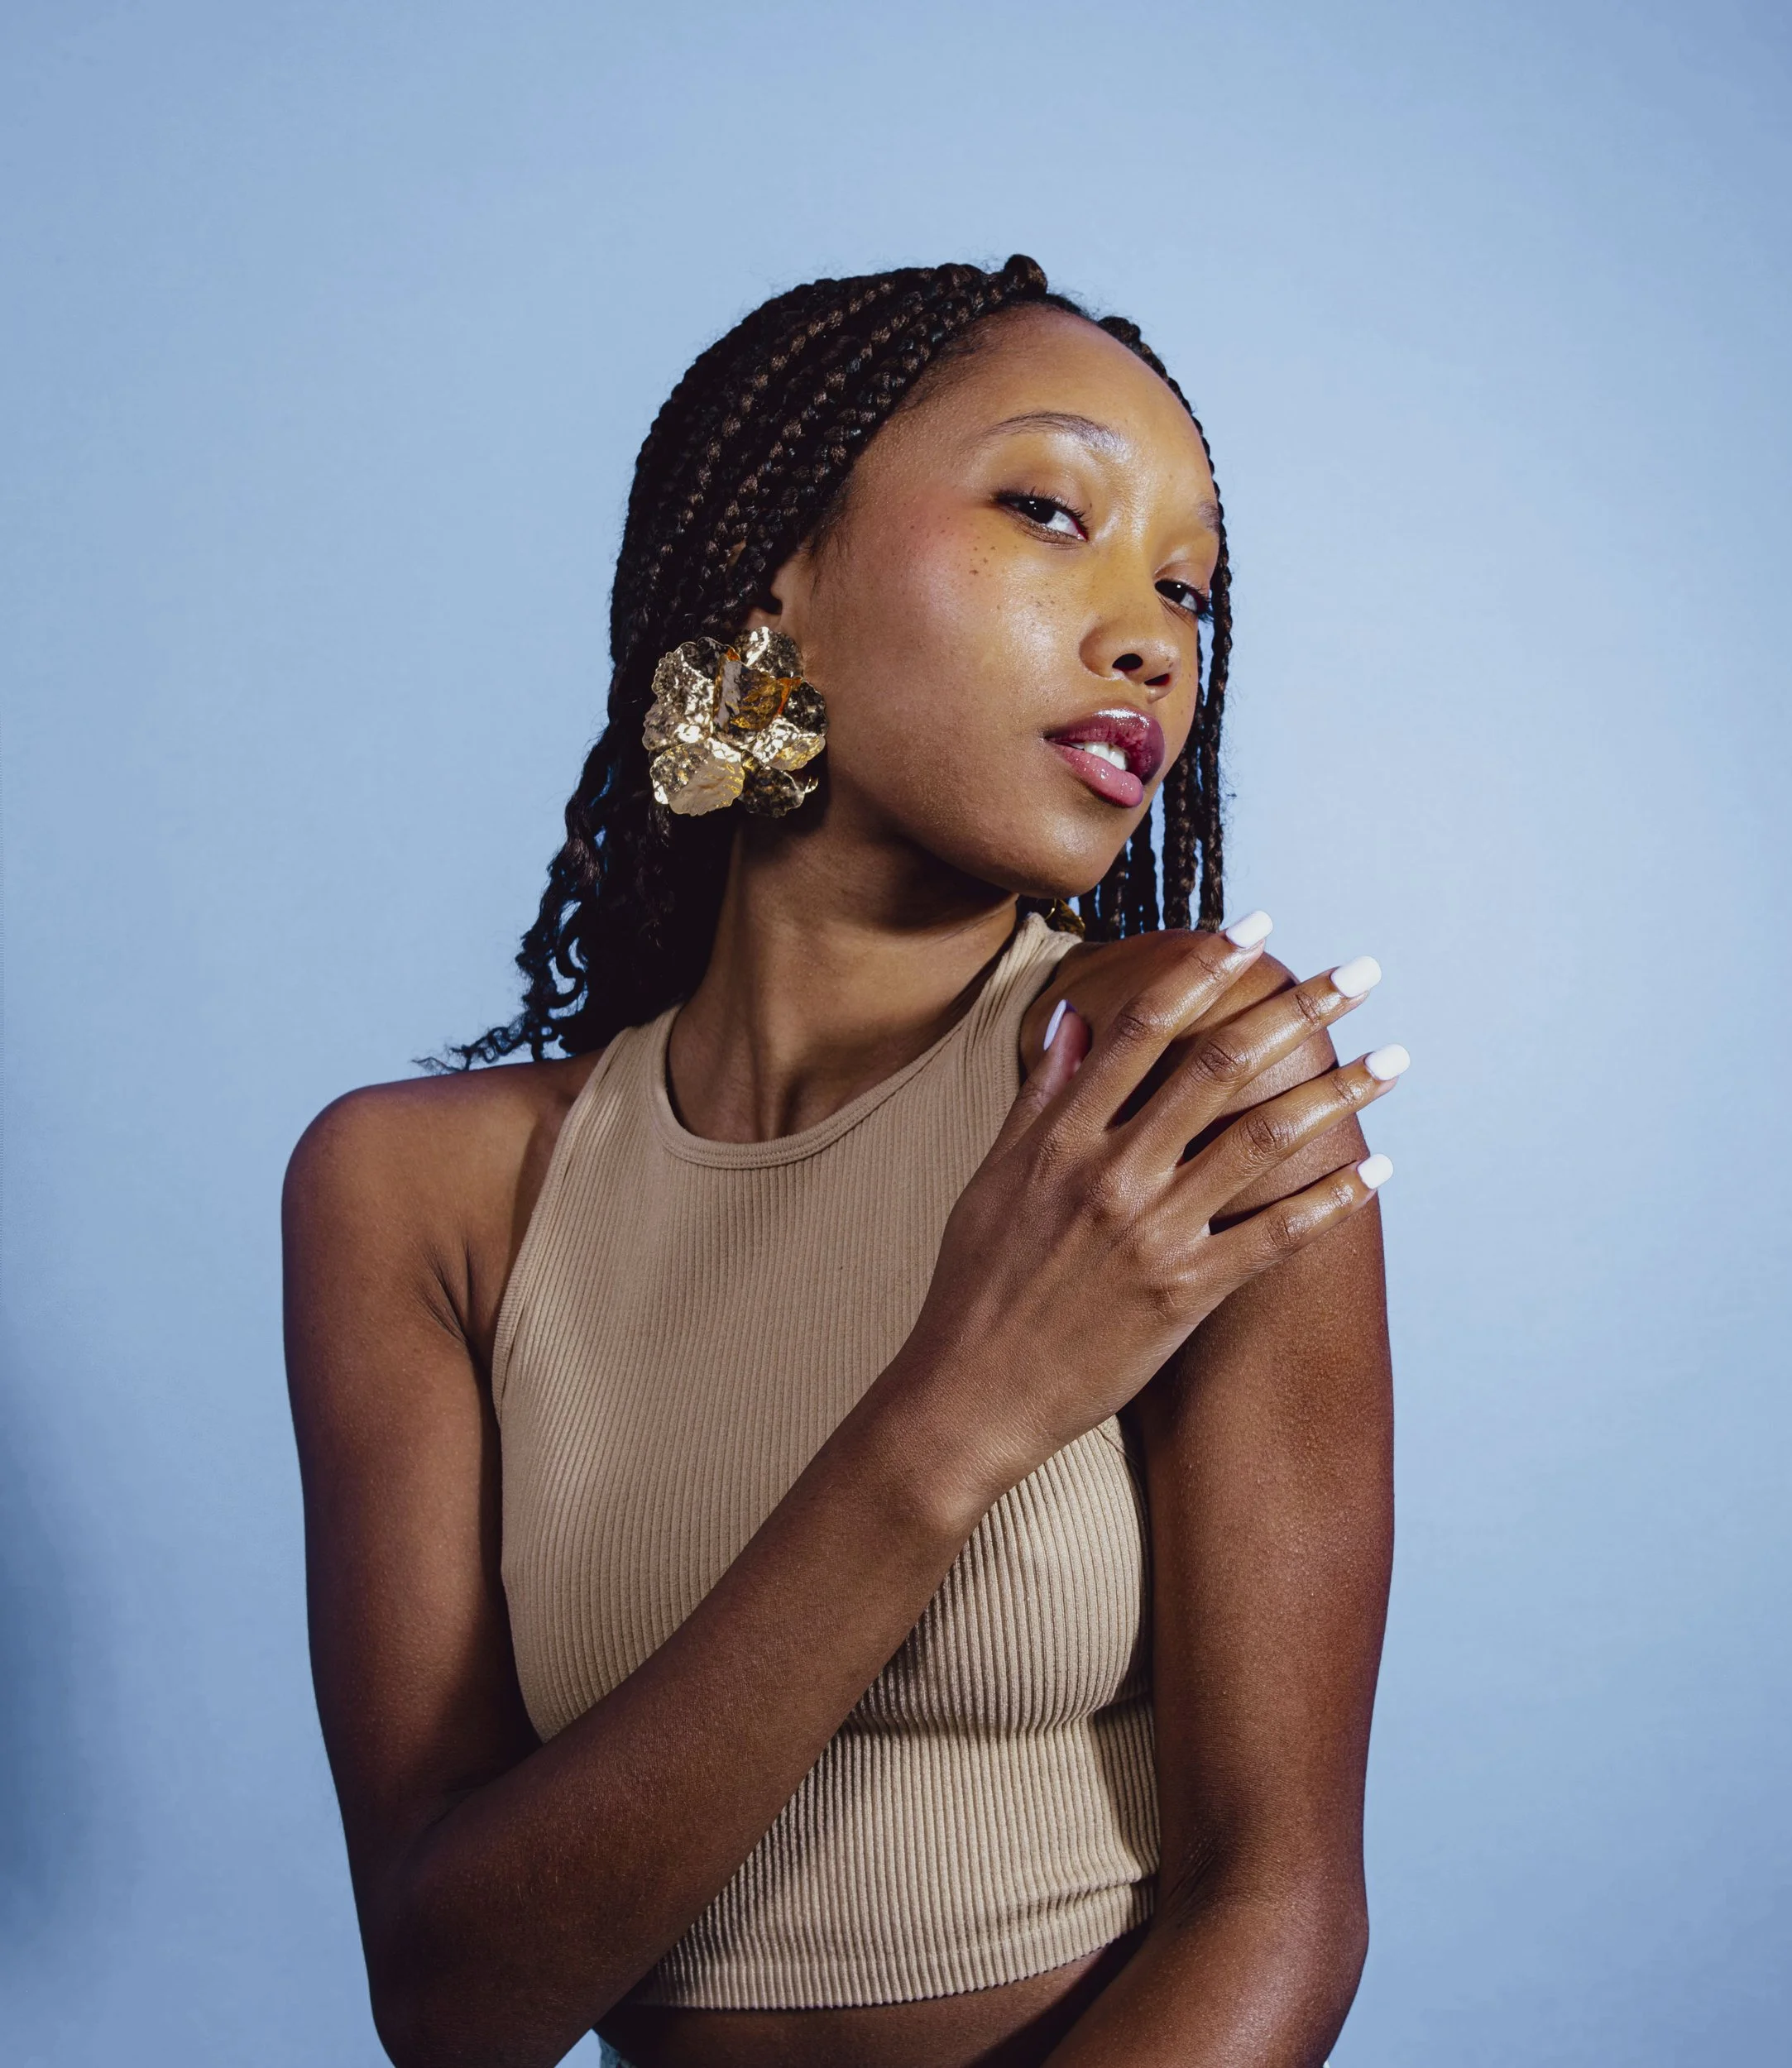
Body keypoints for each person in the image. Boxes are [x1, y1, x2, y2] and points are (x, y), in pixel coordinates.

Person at [283, 255, 1401, 2068]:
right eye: (1050, 511)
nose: (1152, 638)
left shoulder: (1166, 1089)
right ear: (775, 569)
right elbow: (450, 1998)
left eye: (1186, 589)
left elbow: (1278, 1904)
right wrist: (952, 1415)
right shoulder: (417, 1195)